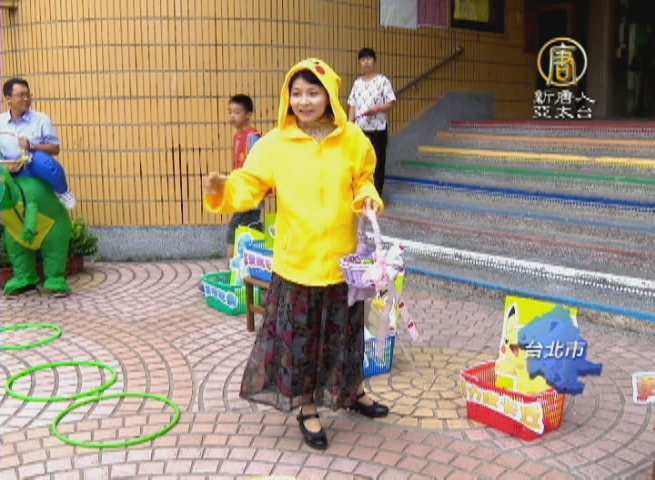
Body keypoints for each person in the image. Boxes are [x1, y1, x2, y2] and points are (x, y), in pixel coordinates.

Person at [203, 58, 388, 451]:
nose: (303, 101)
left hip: (342, 263)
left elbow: (363, 179)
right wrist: (222, 189)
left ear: (330, 94)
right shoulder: (274, 144)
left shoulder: (354, 139)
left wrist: (368, 197)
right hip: (297, 264)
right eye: (297, 93)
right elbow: (249, 185)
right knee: (301, 342)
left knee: (345, 335)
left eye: (313, 93)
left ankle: (351, 391)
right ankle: (307, 406)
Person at [0, 78, 76, 209]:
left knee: (39, 159)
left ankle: (63, 192)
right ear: (8, 99)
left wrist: (31, 146)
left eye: (28, 95)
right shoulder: (1, 121)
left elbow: (55, 149)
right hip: (8, 169)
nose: (26, 99)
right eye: (21, 95)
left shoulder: (41, 120)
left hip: (31, 167)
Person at [348, 47, 396, 196]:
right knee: (360, 163)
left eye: (369, 58)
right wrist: (349, 125)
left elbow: (391, 102)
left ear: (375, 61)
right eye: (362, 59)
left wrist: (376, 109)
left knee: (377, 163)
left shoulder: (383, 81)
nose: (366, 62)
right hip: (360, 130)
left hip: (378, 129)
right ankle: (361, 194)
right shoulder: (357, 83)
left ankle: (376, 196)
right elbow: (352, 104)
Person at [224, 94, 262, 258]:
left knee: (240, 231)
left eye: (237, 112)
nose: (232, 116)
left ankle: (233, 266)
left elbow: (259, 164)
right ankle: (238, 266)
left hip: (251, 195)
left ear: (248, 115)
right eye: (230, 112)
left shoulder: (252, 137)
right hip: (242, 193)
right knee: (246, 230)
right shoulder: (238, 138)